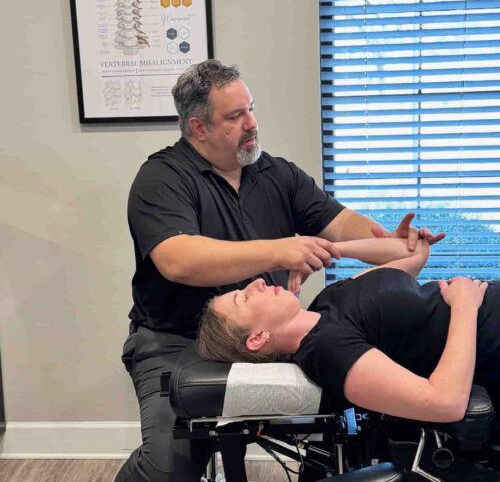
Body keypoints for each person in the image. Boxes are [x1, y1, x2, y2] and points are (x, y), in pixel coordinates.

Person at [116, 59, 445, 482]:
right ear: (199, 128)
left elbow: (342, 224)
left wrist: (394, 242)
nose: (252, 123)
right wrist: (279, 251)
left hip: (264, 337)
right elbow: (178, 259)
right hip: (174, 341)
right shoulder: (162, 177)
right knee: (168, 472)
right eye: (235, 116)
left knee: (366, 409)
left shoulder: (277, 174)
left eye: (250, 108)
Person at [198, 237, 500, 421]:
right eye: (245, 298)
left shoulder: (325, 302)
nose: (258, 282)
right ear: (257, 338)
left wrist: (325, 251)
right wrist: (464, 307)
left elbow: (413, 254)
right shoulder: (325, 350)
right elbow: (445, 403)